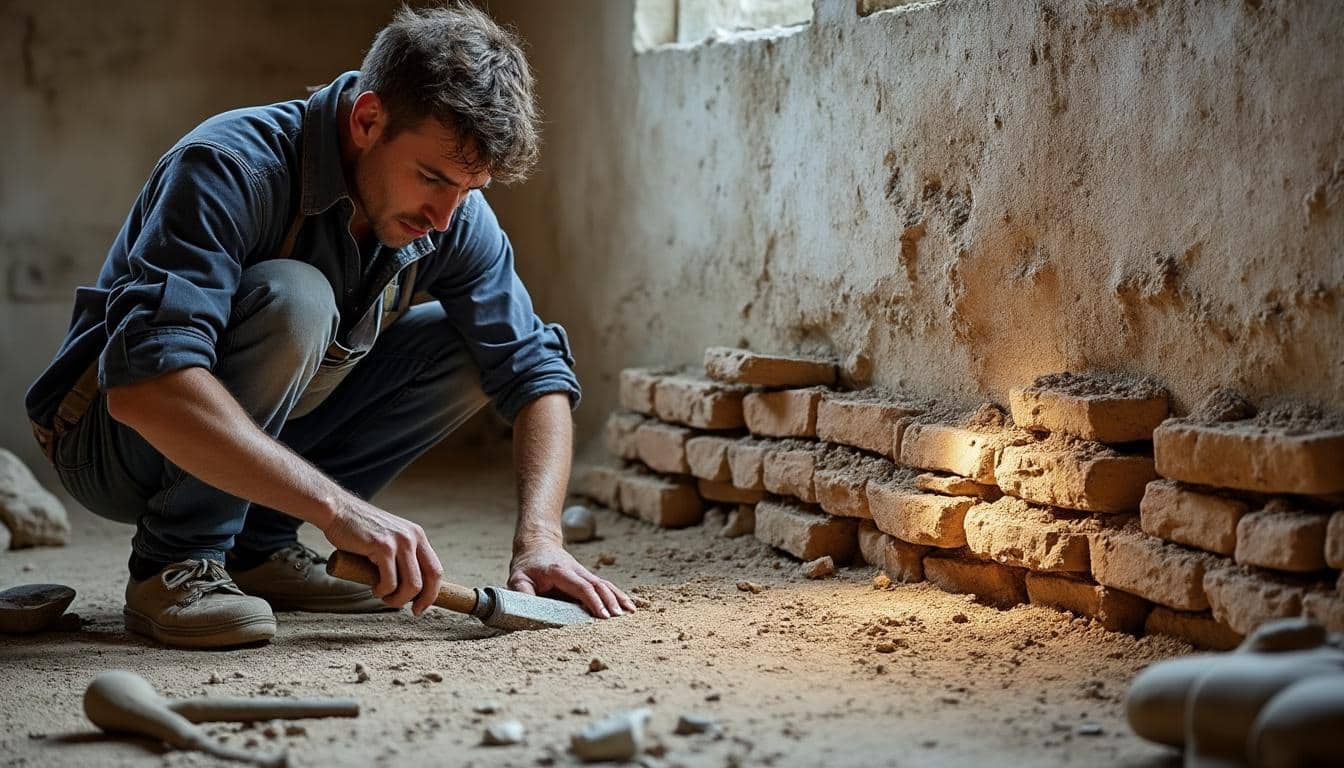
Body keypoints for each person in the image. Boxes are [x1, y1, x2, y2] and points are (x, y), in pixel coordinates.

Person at [24, 3, 633, 649]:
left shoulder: (451, 215)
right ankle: (177, 562)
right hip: (110, 443)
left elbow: (535, 373)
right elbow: (147, 389)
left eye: (470, 187)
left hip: (256, 433)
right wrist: (341, 511)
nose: (445, 216)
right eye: (431, 178)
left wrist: (541, 542)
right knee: (296, 298)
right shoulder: (231, 164)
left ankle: (257, 550)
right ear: (368, 118)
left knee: (471, 346)